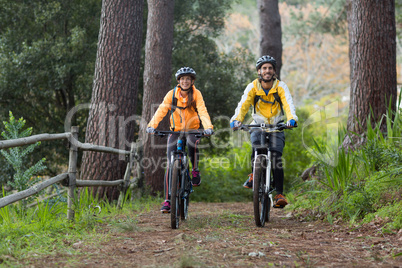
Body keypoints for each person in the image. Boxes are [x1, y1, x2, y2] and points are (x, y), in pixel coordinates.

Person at [230, 55, 298, 208]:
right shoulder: (253, 86)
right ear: (259, 71)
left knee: (276, 157)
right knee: (257, 146)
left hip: (277, 126)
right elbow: (243, 104)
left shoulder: (281, 86)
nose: (267, 71)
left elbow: (288, 103)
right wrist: (236, 119)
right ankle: (254, 174)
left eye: (270, 68)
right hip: (258, 125)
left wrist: (292, 118)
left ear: (274, 71)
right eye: (264, 68)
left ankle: (279, 193)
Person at [146, 67, 214, 213]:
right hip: (175, 131)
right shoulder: (171, 95)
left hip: (192, 129)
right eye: (182, 79)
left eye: (188, 79)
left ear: (192, 81)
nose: (185, 81)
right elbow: (161, 110)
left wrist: (208, 127)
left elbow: (202, 111)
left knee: (192, 143)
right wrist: (152, 125)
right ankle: (168, 201)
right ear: (178, 81)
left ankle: (195, 170)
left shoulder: (196, 94)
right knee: (170, 164)